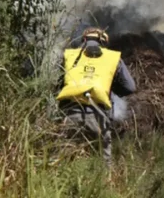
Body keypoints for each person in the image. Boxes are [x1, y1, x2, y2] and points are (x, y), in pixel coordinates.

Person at [56, 27, 136, 167]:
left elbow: (58, 85)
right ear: (103, 42)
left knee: (63, 160)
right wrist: (111, 86)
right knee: (103, 164)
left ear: (84, 40)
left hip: (70, 116)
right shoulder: (112, 58)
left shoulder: (69, 55)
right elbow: (130, 87)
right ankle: (103, 187)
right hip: (98, 117)